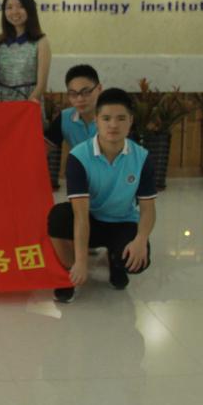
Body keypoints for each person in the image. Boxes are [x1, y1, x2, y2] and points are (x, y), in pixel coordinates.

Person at [46, 88, 157, 303]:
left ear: (130, 121)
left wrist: (141, 240)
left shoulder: (142, 157)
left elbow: (148, 209)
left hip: (123, 221)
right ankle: (69, 272)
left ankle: (116, 263)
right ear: (96, 120)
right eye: (106, 118)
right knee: (58, 217)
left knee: (136, 262)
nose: (113, 125)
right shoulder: (79, 157)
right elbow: (80, 215)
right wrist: (80, 262)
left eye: (121, 118)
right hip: (91, 220)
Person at [0, 0, 51, 105]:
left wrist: (24, 108)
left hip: (29, 103)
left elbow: (42, 85)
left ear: (30, 9)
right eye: (9, 7)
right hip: (1, 103)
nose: (15, 12)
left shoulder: (41, 41)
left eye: (20, 6)